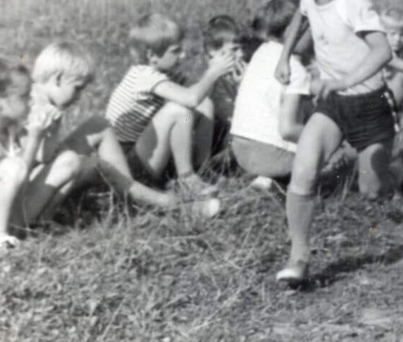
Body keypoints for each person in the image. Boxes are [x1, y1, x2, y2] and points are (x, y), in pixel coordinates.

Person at [271, 0, 403, 288]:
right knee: (304, 172)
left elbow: (382, 50)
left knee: (372, 190)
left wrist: (345, 79)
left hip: (370, 105)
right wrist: (284, 56)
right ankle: (299, 257)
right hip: (334, 106)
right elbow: (300, 19)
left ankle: (402, 170)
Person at [28, 42, 220, 218]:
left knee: (98, 123)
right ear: (58, 79)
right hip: (31, 194)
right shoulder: (42, 109)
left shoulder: (38, 98)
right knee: (98, 165)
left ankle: (128, 195)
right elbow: (41, 157)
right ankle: (168, 205)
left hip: (39, 178)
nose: (79, 96)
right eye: (77, 88)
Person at [0, 54, 83, 252]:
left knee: (70, 161)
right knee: (15, 164)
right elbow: (21, 172)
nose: (31, 101)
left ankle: (39, 223)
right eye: (24, 96)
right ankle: (0, 240)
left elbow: (43, 159)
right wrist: (35, 138)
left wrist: (51, 130)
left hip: (11, 212)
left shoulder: (10, 127)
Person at [105, 13, 238, 198]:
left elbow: (198, 95)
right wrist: (213, 73)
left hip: (145, 153)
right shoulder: (144, 75)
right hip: (128, 168)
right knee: (178, 111)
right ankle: (186, 178)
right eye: (176, 51)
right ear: (152, 55)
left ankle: (202, 169)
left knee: (205, 104)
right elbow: (190, 99)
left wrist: (222, 76)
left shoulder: (164, 72)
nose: (183, 55)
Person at [230, 0, 313, 187]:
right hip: (272, 155)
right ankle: (281, 180)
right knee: (340, 155)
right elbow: (288, 129)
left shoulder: (262, 53)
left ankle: (267, 180)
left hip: (241, 150)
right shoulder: (295, 70)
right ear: (294, 31)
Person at [202, 15, 246, 156]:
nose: (241, 54)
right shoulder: (204, 79)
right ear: (212, 50)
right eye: (234, 49)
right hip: (214, 140)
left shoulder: (232, 74)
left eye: (241, 49)